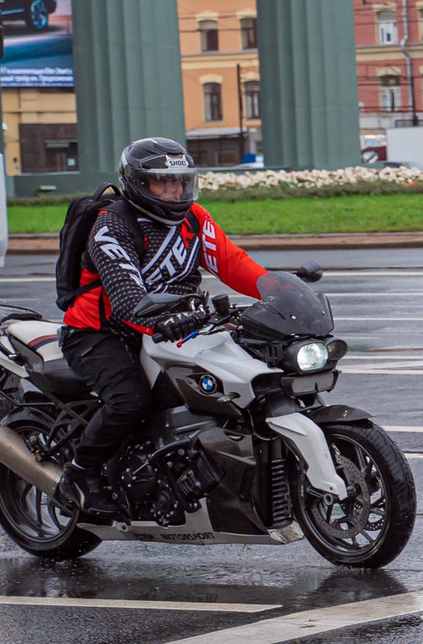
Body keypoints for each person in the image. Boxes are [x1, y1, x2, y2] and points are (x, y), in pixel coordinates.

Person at [58, 138, 269, 517]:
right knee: (131, 401)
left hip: (176, 326)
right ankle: (79, 472)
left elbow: (233, 263)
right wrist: (161, 320)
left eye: (182, 181)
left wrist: (274, 289)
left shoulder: (194, 219)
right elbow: (126, 297)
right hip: (101, 332)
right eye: (163, 182)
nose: (175, 190)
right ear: (138, 182)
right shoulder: (111, 225)